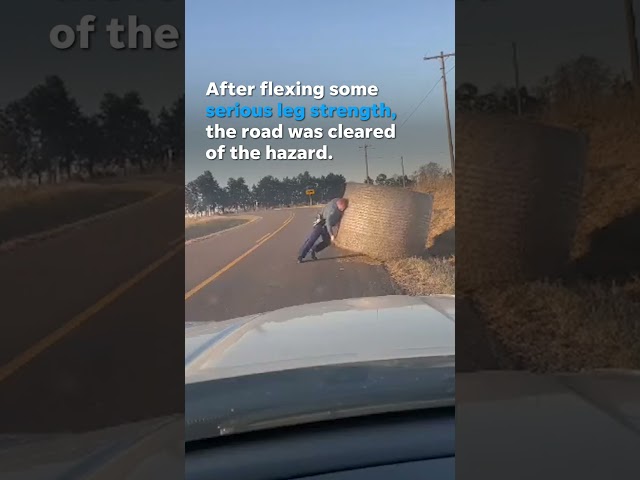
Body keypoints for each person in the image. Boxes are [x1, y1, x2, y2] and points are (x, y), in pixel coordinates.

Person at [297, 197, 348, 263]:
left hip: (325, 226)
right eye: (343, 208)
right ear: (340, 205)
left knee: (327, 242)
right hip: (321, 223)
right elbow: (328, 223)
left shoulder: (336, 200)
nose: (343, 210)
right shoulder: (332, 211)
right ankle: (301, 256)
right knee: (312, 239)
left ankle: (314, 249)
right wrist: (331, 235)